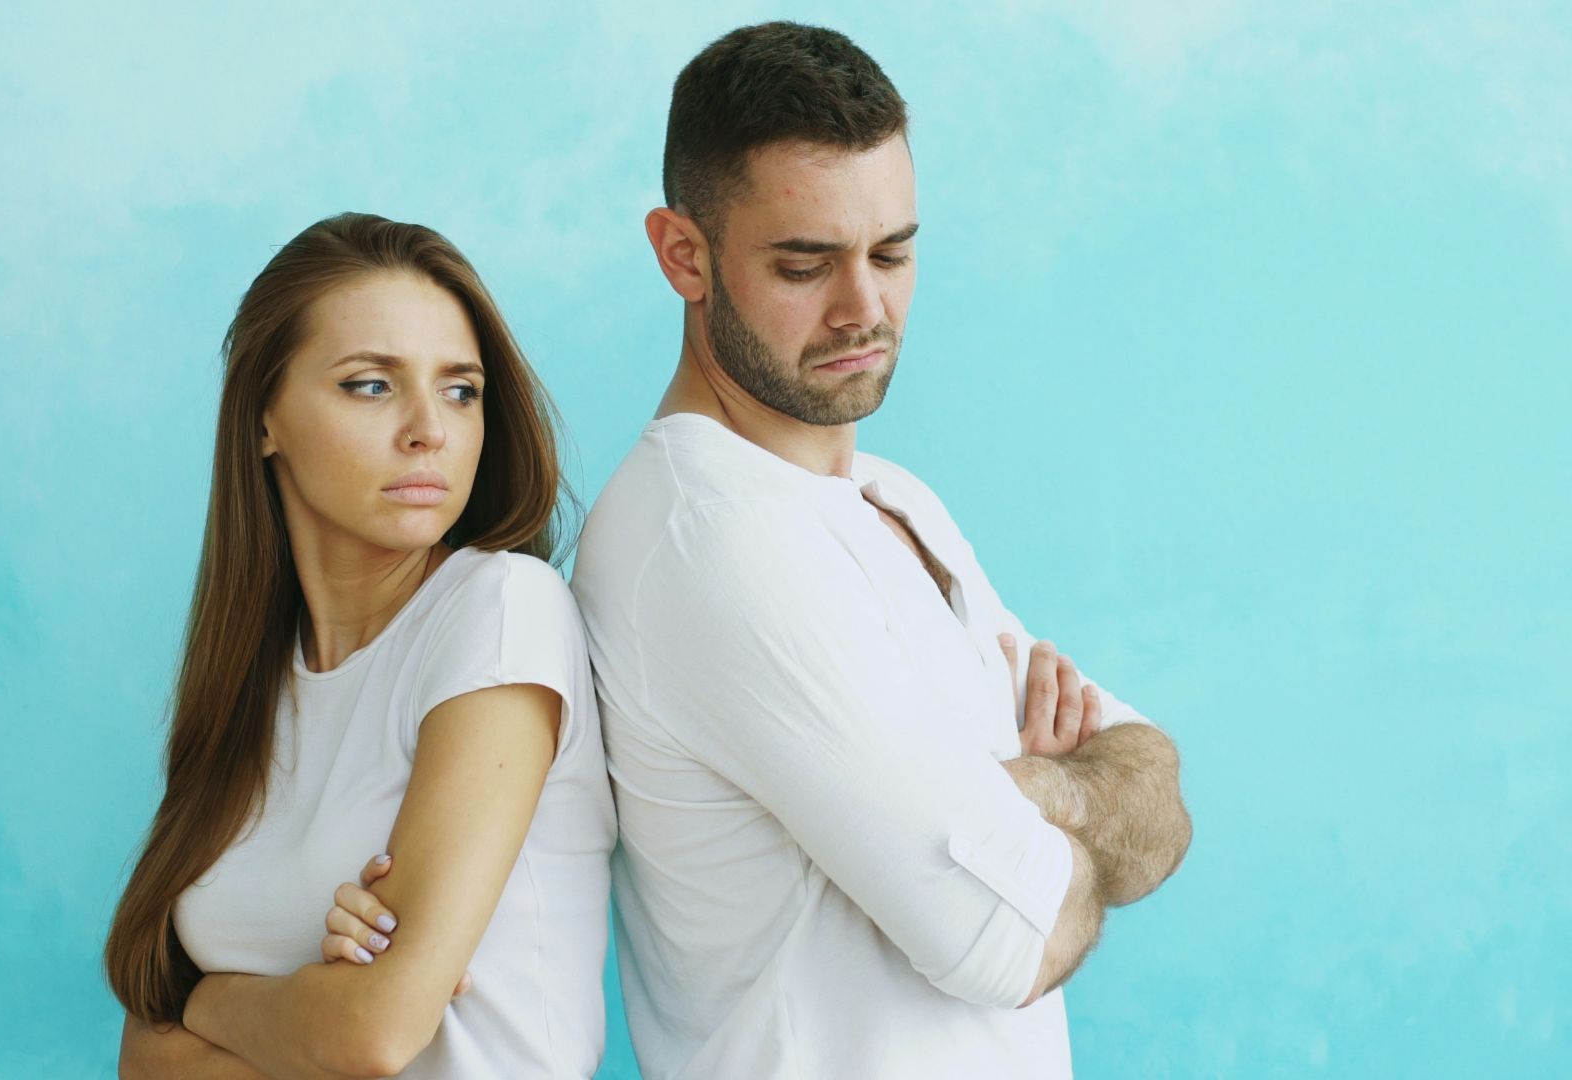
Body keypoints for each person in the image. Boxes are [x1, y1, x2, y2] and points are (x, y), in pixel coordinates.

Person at [570, 22, 1194, 1079]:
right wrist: (1048, 790)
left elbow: (1160, 796)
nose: (866, 309)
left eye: (893, 253)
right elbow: (1014, 940)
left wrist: (1046, 797)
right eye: (805, 264)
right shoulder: (706, 542)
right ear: (684, 254)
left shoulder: (894, 497)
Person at [104, 212, 615, 1078]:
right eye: (371, 385)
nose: (429, 430)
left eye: (461, 390)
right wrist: (305, 1006)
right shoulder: (251, 684)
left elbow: (370, 1037)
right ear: (264, 416)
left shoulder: (499, 611)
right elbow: (142, 1059)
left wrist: (211, 1000)